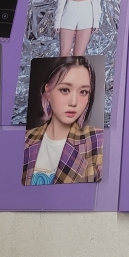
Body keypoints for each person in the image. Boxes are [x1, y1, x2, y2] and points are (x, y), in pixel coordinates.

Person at [22, 57, 103, 185]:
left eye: (83, 92)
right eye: (65, 90)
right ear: (48, 91)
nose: (73, 102)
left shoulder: (99, 142)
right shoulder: (25, 138)